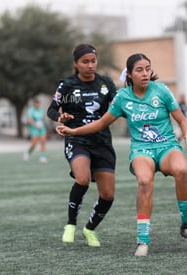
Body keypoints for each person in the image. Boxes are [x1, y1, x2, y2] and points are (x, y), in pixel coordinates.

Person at [56, 53, 187, 256]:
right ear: (130, 75)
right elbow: (101, 123)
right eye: (139, 70)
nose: (145, 73)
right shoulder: (123, 97)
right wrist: (73, 131)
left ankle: (186, 226)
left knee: (182, 171)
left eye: (147, 68)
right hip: (141, 149)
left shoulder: (161, 90)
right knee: (144, 181)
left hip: (167, 146)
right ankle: (143, 241)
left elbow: (183, 121)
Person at [47, 43, 117, 247]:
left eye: (93, 61)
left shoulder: (106, 84)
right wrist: (61, 117)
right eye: (85, 62)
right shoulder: (67, 85)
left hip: (102, 142)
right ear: (76, 64)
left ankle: (90, 229)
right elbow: (51, 110)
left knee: (108, 194)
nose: (90, 65)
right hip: (77, 139)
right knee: (83, 178)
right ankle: (70, 224)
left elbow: (120, 105)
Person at [23, 98, 48, 163]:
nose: (37, 105)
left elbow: (42, 119)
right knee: (34, 144)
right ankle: (27, 153)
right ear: (34, 104)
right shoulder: (31, 110)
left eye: (38, 103)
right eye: (36, 103)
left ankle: (42, 157)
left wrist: (42, 125)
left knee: (43, 142)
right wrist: (35, 125)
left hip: (42, 128)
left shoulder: (41, 110)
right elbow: (30, 120)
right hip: (34, 129)